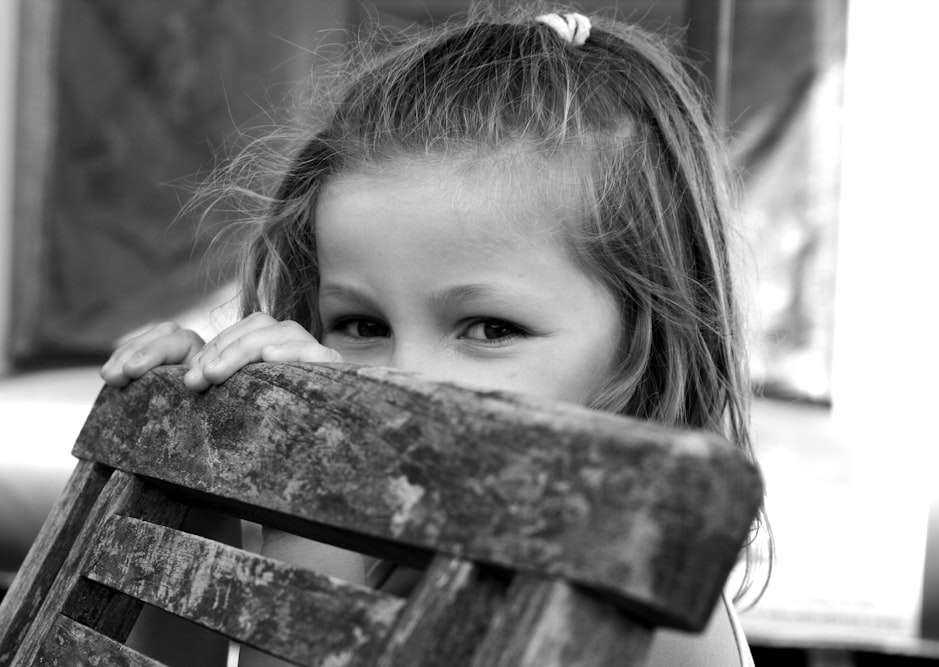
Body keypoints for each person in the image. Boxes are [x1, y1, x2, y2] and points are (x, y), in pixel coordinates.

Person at [101, 6, 769, 665]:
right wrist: (183, 509)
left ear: (643, 349)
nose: (402, 377)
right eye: (362, 326)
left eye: (488, 328)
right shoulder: (393, 555)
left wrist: (313, 529)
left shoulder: (637, 610)